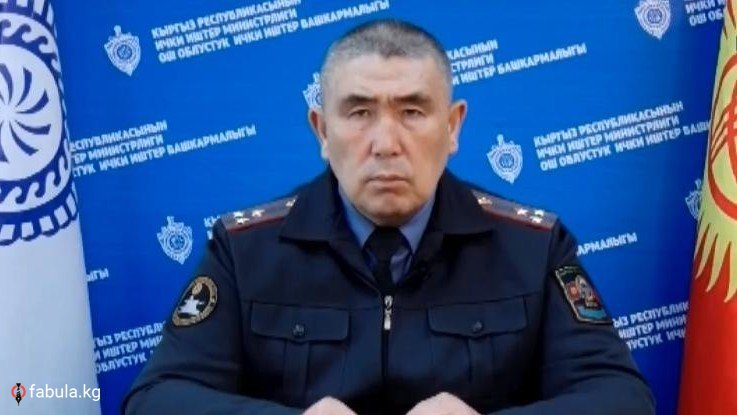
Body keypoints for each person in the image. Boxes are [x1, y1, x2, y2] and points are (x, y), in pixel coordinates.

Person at [122, 19, 655, 415]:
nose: (385, 143)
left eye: (412, 112)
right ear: (321, 131)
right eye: (359, 113)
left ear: (453, 127)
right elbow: (157, 398)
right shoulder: (245, 250)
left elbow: (621, 397)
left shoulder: (532, 246)